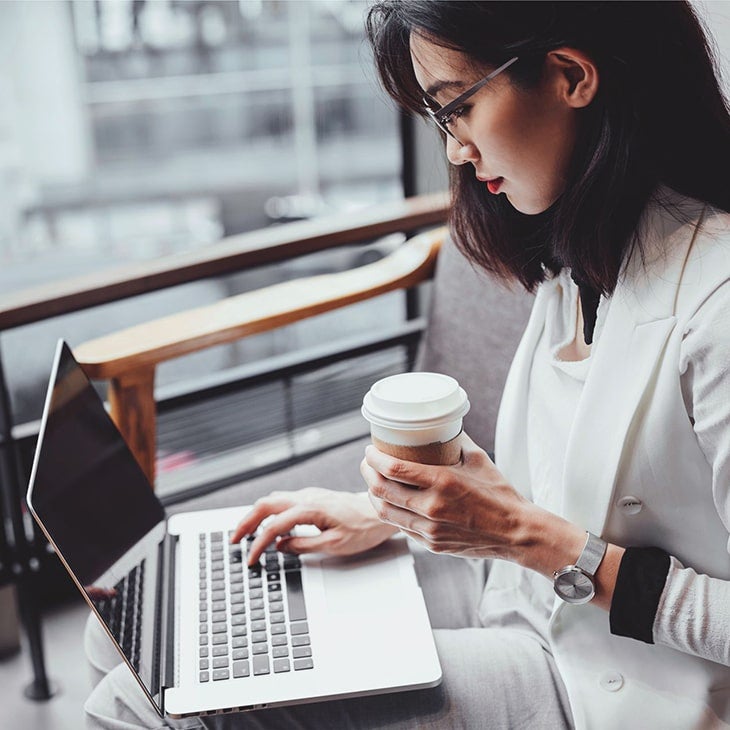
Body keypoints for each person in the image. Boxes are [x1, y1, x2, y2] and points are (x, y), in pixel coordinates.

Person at [84, 2, 730, 728]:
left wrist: (524, 537)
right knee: (128, 626)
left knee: (137, 700)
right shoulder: (581, 250)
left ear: (572, 76)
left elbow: (562, 532)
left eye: (461, 107)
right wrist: (383, 515)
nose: (455, 150)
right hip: (518, 592)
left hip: (622, 678)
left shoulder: (716, 307)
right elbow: (598, 477)